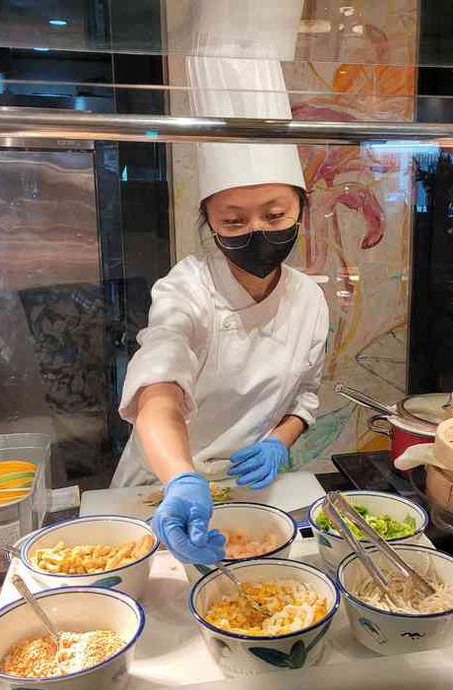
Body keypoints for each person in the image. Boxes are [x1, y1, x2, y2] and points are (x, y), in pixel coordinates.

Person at [112, 53, 329, 565]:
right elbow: (157, 389)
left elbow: (306, 396)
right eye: (233, 222)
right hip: (162, 486)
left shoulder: (309, 299)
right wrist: (182, 477)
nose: (257, 231)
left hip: (249, 496)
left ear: (301, 207)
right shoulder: (186, 287)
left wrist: (279, 440)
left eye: (275, 214)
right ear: (209, 222)